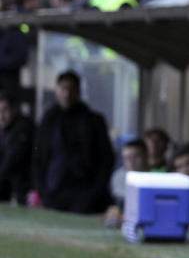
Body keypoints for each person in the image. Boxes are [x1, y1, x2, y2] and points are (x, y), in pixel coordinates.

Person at [32, 70, 114, 213]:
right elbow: (38, 156)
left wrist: (95, 192)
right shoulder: (49, 120)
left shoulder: (93, 121)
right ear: (57, 90)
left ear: (78, 91)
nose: (67, 94)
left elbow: (105, 158)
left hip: (84, 190)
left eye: (71, 89)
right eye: (63, 88)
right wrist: (42, 190)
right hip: (53, 190)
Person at [105, 138, 149, 229]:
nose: (131, 162)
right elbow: (122, 200)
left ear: (146, 156)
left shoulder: (157, 175)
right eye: (126, 158)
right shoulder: (119, 176)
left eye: (135, 157)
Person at [0, 91, 33, 205]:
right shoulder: (3, 130)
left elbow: (11, 160)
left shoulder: (23, 128)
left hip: (23, 190)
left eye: (5, 110)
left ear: (15, 109)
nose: (1, 115)